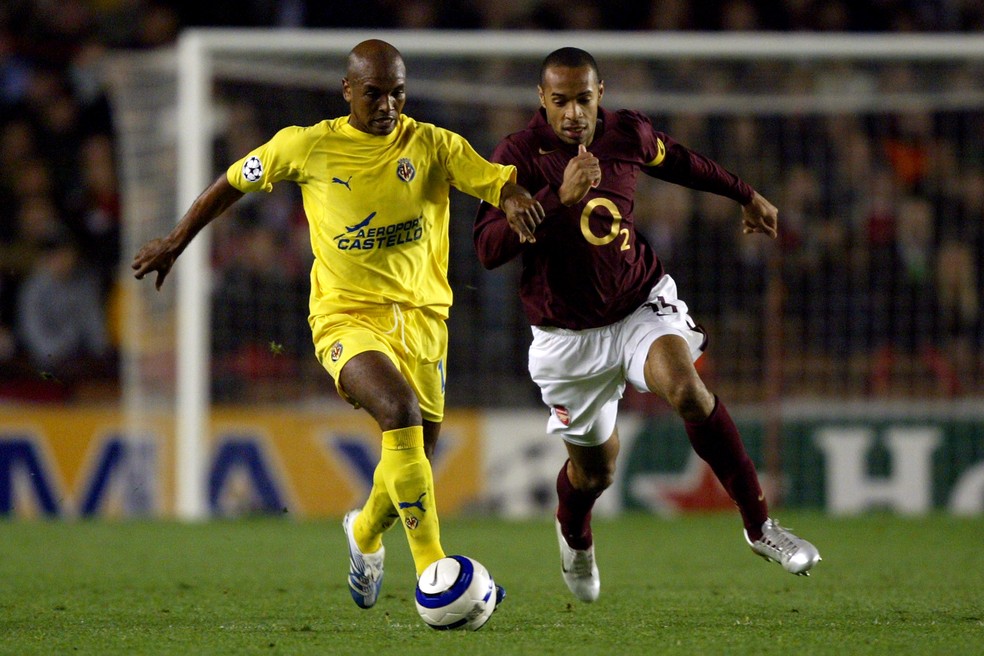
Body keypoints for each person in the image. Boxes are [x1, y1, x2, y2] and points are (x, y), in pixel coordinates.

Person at [132, 39, 544, 610]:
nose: (387, 104)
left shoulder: (432, 145)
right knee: (397, 412)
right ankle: (436, 570)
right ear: (347, 90)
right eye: (373, 93)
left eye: (397, 92)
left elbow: (495, 179)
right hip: (344, 317)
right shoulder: (308, 146)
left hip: (425, 322)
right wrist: (176, 241)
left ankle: (364, 533)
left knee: (416, 450)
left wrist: (517, 196)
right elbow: (232, 180)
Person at [474, 47, 820, 602]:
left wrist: (745, 194)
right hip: (567, 341)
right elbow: (488, 249)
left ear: (600, 95)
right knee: (594, 474)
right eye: (560, 101)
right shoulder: (516, 156)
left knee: (687, 388)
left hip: (639, 305)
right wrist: (557, 198)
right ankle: (575, 536)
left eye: (583, 100)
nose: (573, 114)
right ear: (542, 100)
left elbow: (681, 161)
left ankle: (761, 527)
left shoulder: (624, 134)